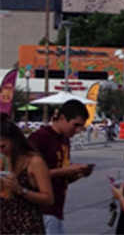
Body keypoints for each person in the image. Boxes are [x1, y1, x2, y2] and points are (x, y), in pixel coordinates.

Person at [28, 99, 94, 235]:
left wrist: (78, 173)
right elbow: (31, 176)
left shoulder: (64, 139)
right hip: (42, 209)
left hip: (57, 207)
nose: (78, 130)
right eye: (75, 125)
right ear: (62, 118)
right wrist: (66, 171)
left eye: (81, 126)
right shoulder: (40, 138)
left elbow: (61, 177)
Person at [1, 119, 55, 234]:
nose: (1, 151)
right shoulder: (2, 160)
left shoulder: (34, 162)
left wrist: (21, 190)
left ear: (14, 140)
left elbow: (48, 198)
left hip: (26, 226)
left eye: (3, 146)